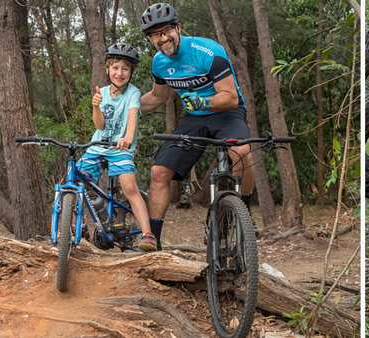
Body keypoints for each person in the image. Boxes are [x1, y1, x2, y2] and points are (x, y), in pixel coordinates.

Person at [138, 3, 253, 249]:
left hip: (227, 112)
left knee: (241, 152)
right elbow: (158, 97)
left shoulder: (209, 51)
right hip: (194, 119)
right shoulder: (159, 63)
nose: (162, 38)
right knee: (159, 172)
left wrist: (204, 100)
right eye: (155, 35)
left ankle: (246, 214)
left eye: (167, 30)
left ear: (178, 28)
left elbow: (231, 97)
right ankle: (152, 241)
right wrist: (126, 107)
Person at [81, 43, 157, 252]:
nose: (120, 73)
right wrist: (96, 106)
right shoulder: (102, 92)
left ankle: (148, 235)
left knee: (130, 188)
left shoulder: (133, 93)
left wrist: (128, 138)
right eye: (115, 67)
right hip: (98, 146)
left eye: (125, 68)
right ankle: (77, 228)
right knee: (76, 180)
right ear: (107, 69)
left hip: (121, 148)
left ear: (131, 71)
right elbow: (99, 125)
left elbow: (132, 115)